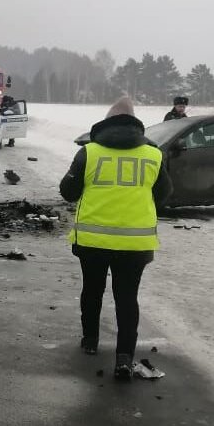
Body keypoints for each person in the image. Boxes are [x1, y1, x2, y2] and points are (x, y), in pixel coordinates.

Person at [59, 96, 173, 380]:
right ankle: (124, 357)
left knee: (92, 291)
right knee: (127, 299)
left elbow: (68, 191)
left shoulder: (90, 152)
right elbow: (164, 193)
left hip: (93, 241)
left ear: (105, 124)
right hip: (135, 244)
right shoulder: (153, 154)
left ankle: (90, 342)